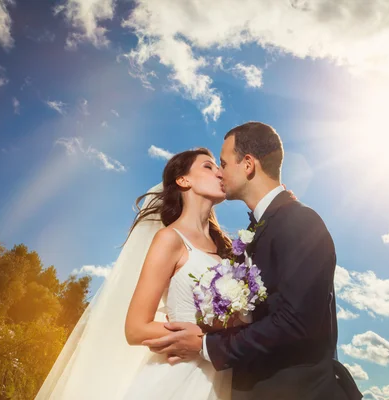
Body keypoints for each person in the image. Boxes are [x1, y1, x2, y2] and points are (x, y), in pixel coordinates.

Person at [143, 122, 355, 399]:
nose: (220, 172)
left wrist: (205, 343)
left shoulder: (299, 220)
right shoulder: (257, 232)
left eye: (223, 163)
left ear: (247, 165)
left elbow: (297, 321)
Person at [35, 148, 233, 399]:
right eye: (208, 166)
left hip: (221, 376)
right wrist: (204, 338)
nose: (220, 172)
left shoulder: (227, 248)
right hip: (179, 376)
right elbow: (136, 329)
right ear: (184, 180)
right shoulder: (170, 239)